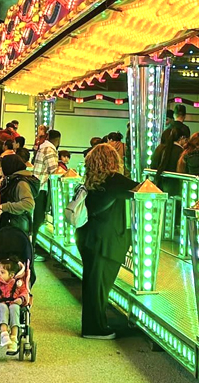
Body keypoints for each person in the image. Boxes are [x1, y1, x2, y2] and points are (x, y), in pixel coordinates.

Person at [76, 143, 137, 339]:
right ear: (112, 160)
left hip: (88, 236)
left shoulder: (91, 179)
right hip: (106, 240)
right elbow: (144, 190)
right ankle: (94, 328)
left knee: (93, 284)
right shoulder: (115, 180)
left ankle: (95, 324)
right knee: (99, 286)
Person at [0, 256, 30, 355]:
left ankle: (14, 337)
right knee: (2, 307)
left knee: (14, 308)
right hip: (1, 303)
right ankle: (4, 334)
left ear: (11, 275)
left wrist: (21, 299)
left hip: (14, 303)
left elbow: (24, 292)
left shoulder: (18, 282)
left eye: (2, 272)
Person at [31, 129, 61, 251]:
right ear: (58, 140)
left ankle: (31, 246)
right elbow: (54, 170)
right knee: (37, 220)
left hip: (36, 187)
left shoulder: (42, 147)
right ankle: (31, 248)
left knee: (36, 219)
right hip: (41, 188)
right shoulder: (50, 149)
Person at [0, 154, 39, 234]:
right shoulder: (13, 180)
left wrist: (4, 207)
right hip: (14, 225)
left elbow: (28, 204)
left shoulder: (21, 182)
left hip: (16, 227)